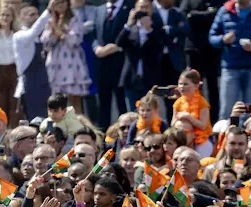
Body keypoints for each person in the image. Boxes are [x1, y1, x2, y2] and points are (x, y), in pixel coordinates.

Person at [208, 0, 251, 119]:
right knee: (226, 109)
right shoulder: (224, 11)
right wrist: (223, 40)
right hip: (230, 67)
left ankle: (250, 135)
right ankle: (224, 136)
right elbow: (212, 37)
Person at [41, 0, 91, 114]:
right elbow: (46, 44)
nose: (60, 5)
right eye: (57, 3)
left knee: (74, 99)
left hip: (72, 62)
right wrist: (53, 31)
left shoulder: (74, 18)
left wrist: (59, 31)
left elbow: (75, 40)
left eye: (63, 2)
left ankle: (77, 125)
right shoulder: (50, 21)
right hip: (56, 63)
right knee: (57, 99)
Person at [117, 0, 164, 110]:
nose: (143, 10)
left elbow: (159, 48)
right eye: (141, 7)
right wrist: (128, 25)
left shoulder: (156, 27)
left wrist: (148, 30)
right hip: (131, 78)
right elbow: (119, 42)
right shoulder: (130, 28)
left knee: (150, 110)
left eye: (146, 7)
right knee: (133, 112)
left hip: (149, 78)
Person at [93, 0, 132, 128]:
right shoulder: (99, 10)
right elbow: (92, 33)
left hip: (124, 64)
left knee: (123, 103)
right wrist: (97, 48)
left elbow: (135, 32)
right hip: (102, 63)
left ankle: (127, 135)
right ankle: (102, 138)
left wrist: (118, 47)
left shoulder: (130, 6)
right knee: (103, 104)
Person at [13, 3, 52, 121]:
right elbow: (33, 32)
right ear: (22, 17)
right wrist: (49, 11)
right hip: (30, 83)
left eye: (37, 14)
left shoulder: (41, 36)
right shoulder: (19, 36)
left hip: (45, 82)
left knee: (47, 117)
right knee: (34, 118)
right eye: (31, 15)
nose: (35, 17)